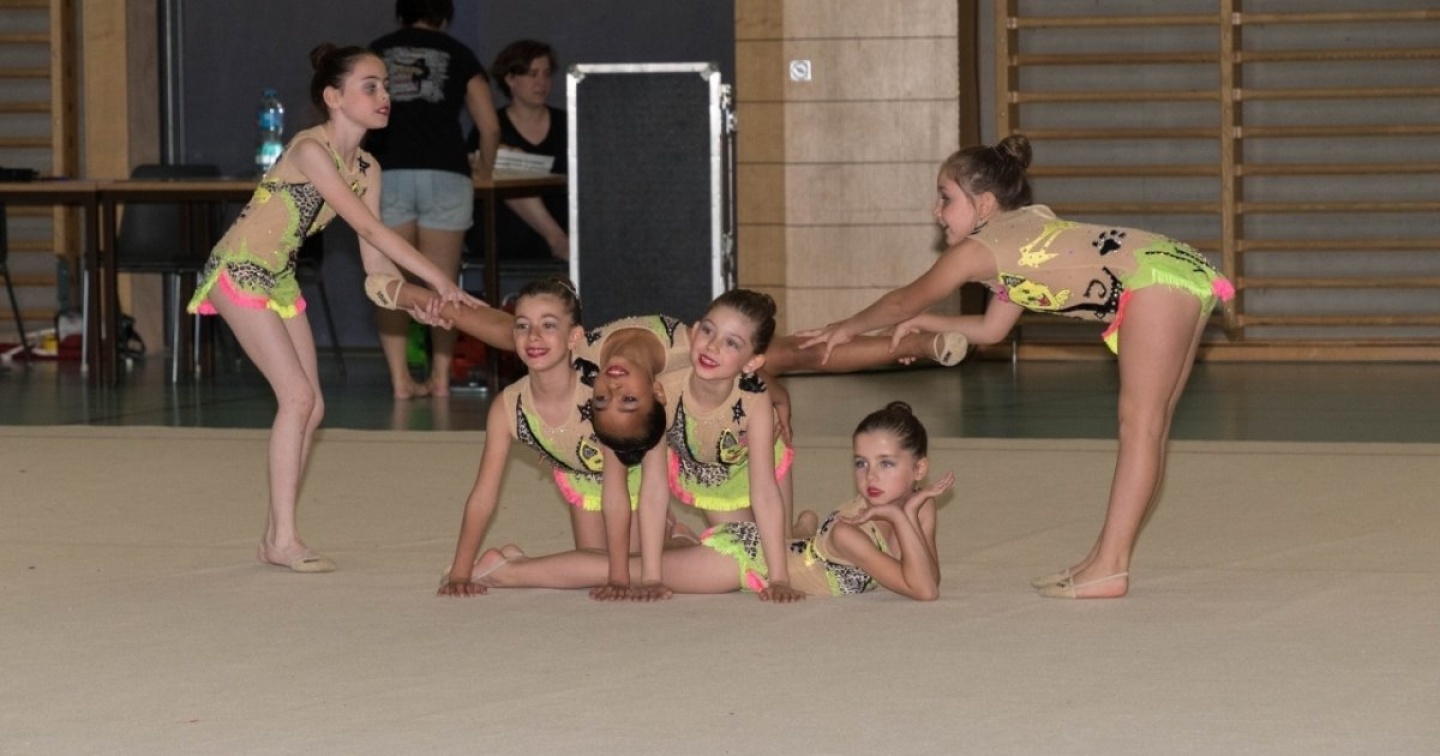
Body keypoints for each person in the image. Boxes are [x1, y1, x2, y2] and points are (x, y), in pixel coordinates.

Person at [798, 134, 1235, 599]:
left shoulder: (977, 251)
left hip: (1155, 280)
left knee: (1140, 426)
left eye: (946, 198)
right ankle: (1103, 560)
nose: (936, 211)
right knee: (1151, 427)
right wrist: (928, 323)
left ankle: (1110, 566)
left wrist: (847, 327)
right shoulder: (1022, 232)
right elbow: (991, 330)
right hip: (1177, 269)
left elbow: (905, 299)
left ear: (985, 204)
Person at [186, 44, 481, 573]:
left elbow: (376, 269)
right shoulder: (310, 150)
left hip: (278, 278)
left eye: (385, 86)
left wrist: (418, 302)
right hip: (238, 270)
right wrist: (442, 278)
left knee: (313, 407)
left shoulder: (368, 168)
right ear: (334, 97)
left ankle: (274, 535)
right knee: (297, 397)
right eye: (370, 86)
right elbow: (369, 228)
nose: (384, 95)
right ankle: (284, 538)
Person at [465, 402, 953, 602]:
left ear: (919, 470)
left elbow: (927, 571)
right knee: (625, 569)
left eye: (886, 464)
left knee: (648, 560)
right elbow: (923, 590)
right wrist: (900, 514)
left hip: (783, 547)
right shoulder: (853, 531)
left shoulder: (919, 506)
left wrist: (909, 514)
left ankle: (680, 539)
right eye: (862, 463)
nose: (870, 477)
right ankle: (507, 571)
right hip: (740, 560)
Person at [368, 0, 501, 399]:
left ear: (400, 14)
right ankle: (441, 377)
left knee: (391, 281)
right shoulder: (459, 52)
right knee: (443, 281)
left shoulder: (377, 50)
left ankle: (400, 380)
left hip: (388, 170)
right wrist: (484, 170)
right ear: (445, 16)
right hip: (446, 172)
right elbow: (490, 127)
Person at [483, 39, 569, 262]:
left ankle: (560, 241)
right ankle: (556, 240)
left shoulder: (567, 123)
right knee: (505, 164)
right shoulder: (492, 127)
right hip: (508, 233)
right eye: (532, 74)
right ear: (510, 79)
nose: (542, 82)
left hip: (565, 221)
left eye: (546, 74)